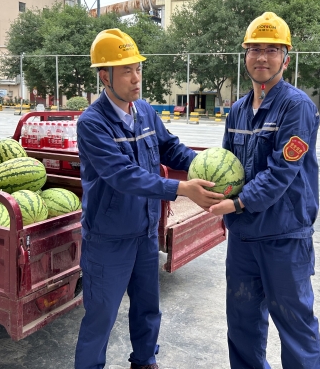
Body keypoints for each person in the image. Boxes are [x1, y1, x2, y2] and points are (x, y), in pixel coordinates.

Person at [75, 28, 225, 369]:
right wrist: (181, 188)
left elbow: (170, 147)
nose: (135, 77)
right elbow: (123, 175)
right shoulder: (92, 124)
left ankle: (144, 362)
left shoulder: (143, 111)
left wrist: (204, 164)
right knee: (100, 320)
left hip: (144, 233)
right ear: (105, 75)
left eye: (138, 68)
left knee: (147, 309)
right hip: (109, 239)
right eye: (126, 70)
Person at [209, 12, 320, 368]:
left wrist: (237, 204)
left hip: (283, 236)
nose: (262, 57)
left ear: (286, 59)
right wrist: (213, 192)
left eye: (272, 50)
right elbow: (227, 164)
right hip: (243, 238)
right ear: (244, 57)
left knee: (295, 324)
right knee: (242, 324)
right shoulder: (238, 110)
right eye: (254, 49)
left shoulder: (297, 107)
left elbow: (281, 173)